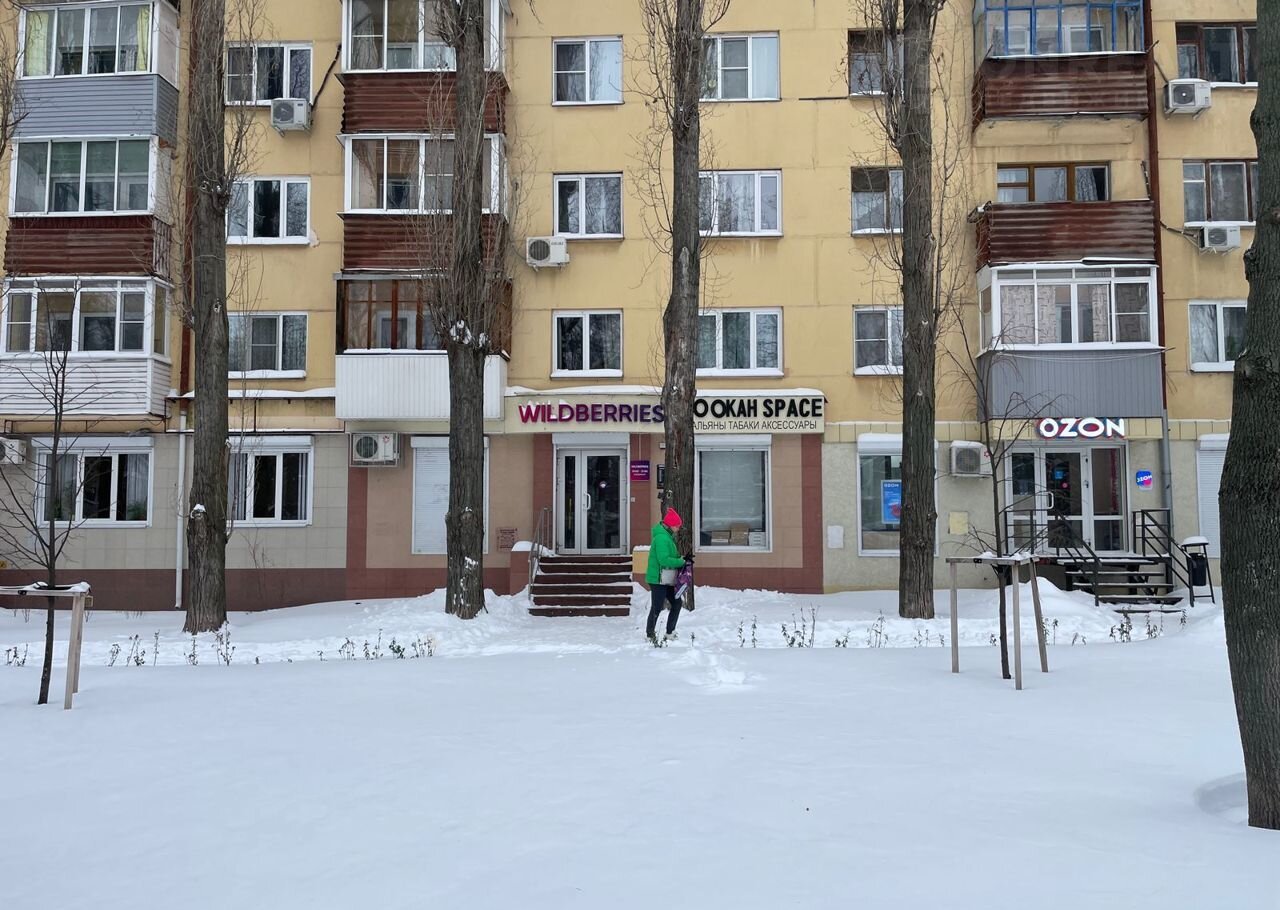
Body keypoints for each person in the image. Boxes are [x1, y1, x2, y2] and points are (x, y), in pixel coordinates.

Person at [645, 507, 691, 643]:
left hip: (666, 578)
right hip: (658, 578)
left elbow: (669, 556)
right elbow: (663, 560)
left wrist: (682, 558)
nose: (678, 528)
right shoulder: (661, 538)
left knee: (677, 603)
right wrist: (680, 561)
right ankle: (650, 634)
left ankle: (670, 632)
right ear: (670, 525)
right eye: (677, 525)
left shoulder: (667, 537)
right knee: (657, 607)